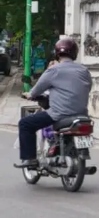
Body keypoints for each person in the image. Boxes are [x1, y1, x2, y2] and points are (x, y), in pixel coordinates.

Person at [15, 38, 92, 169]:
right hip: (82, 114)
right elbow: (87, 87)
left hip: (58, 114)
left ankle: (30, 159)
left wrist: (30, 95)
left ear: (57, 53)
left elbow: (36, 91)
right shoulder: (84, 70)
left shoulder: (54, 70)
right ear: (74, 53)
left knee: (25, 124)